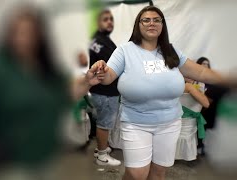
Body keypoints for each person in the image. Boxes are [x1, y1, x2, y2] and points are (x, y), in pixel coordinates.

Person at [0, 5, 105, 180]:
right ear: (8, 34)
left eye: (31, 33)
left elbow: (63, 94)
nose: (24, 39)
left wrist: (87, 81)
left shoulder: (45, 68)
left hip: (45, 161)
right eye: (19, 32)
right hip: (9, 168)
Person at [91, 5, 236, 180]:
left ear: (162, 25)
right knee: (137, 174)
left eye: (156, 20)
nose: (151, 23)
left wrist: (229, 78)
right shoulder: (125, 50)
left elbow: (201, 72)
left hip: (169, 123)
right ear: (138, 24)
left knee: (159, 173)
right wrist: (101, 70)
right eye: (146, 20)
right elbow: (108, 76)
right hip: (136, 123)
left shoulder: (171, 51)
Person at [89, 9, 121, 166]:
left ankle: (101, 148)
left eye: (111, 19)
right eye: (105, 19)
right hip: (105, 91)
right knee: (104, 122)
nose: (110, 22)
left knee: (104, 121)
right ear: (98, 22)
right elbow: (114, 66)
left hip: (103, 91)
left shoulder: (100, 40)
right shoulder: (100, 42)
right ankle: (102, 156)